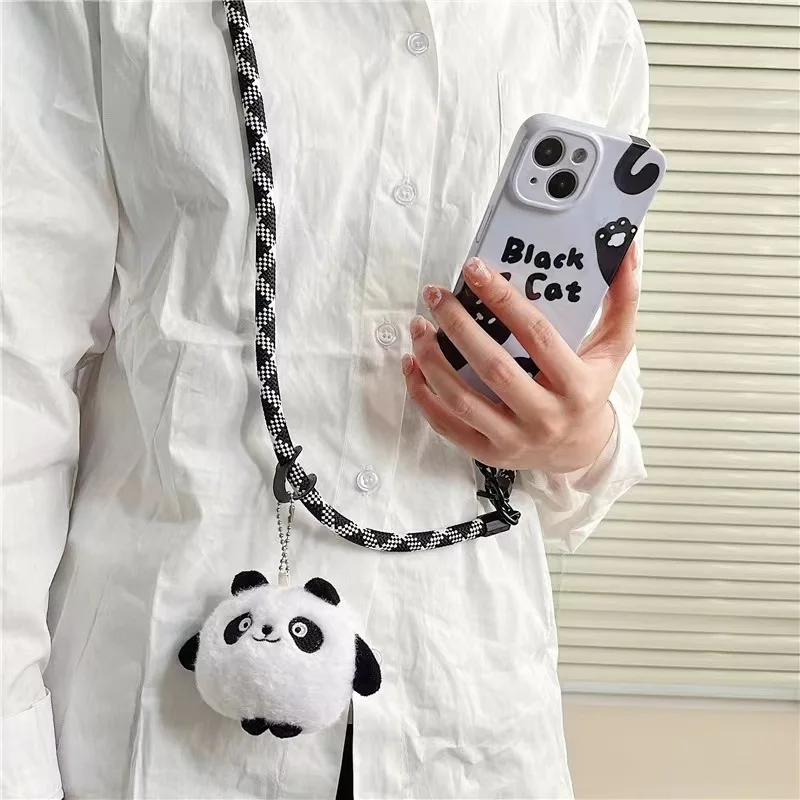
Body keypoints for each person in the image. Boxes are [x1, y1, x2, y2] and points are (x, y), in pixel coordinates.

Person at [1, 1, 650, 797]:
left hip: (462, 710)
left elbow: (600, 393)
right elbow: (18, 377)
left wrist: (579, 439)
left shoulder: (583, 23)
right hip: (163, 700)